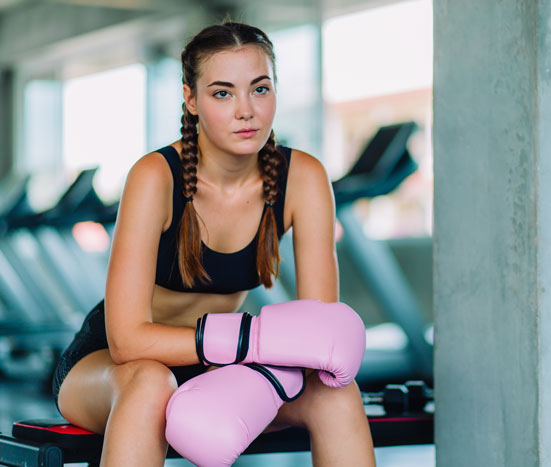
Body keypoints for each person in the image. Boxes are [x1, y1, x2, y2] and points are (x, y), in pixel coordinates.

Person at [52, 22, 376, 466]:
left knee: (334, 393)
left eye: (260, 90)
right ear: (191, 99)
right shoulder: (154, 177)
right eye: (223, 93)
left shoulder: (303, 178)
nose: (246, 110)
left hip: (222, 366)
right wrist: (252, 341)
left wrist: (251, 355)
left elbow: (317, 339)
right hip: (113, 365)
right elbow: (127, 341)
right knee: (150, 384)